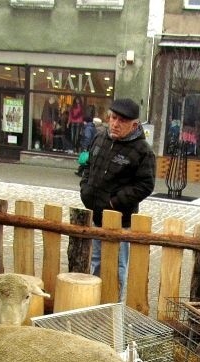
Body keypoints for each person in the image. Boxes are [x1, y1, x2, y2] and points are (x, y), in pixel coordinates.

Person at [79, 98, 155, 300]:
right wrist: (85, 189)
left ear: (134, 125)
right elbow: (88, 166)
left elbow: (145, 185)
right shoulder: (100, 137)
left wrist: (114, 203)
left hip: (121, 222)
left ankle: (114, 307)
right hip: (96, 217)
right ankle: (95, 303)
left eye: (122, 120)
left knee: (117, 267)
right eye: (113, 118)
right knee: (96, 262)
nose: (115, 123)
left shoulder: (142, 151)